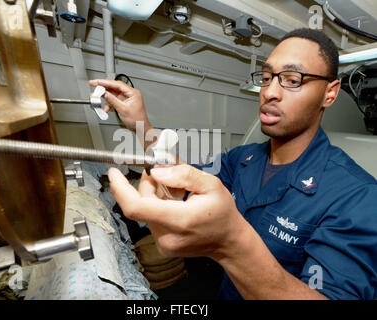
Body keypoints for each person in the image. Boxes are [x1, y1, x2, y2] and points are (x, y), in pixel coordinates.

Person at [89, 28, 377, 300]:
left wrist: (229, 244)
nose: (269, 92)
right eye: (266, 77)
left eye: (292, 80)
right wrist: (141, 124)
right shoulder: (244, 158)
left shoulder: (359, 197)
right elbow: (182, 178)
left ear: (330, 92)